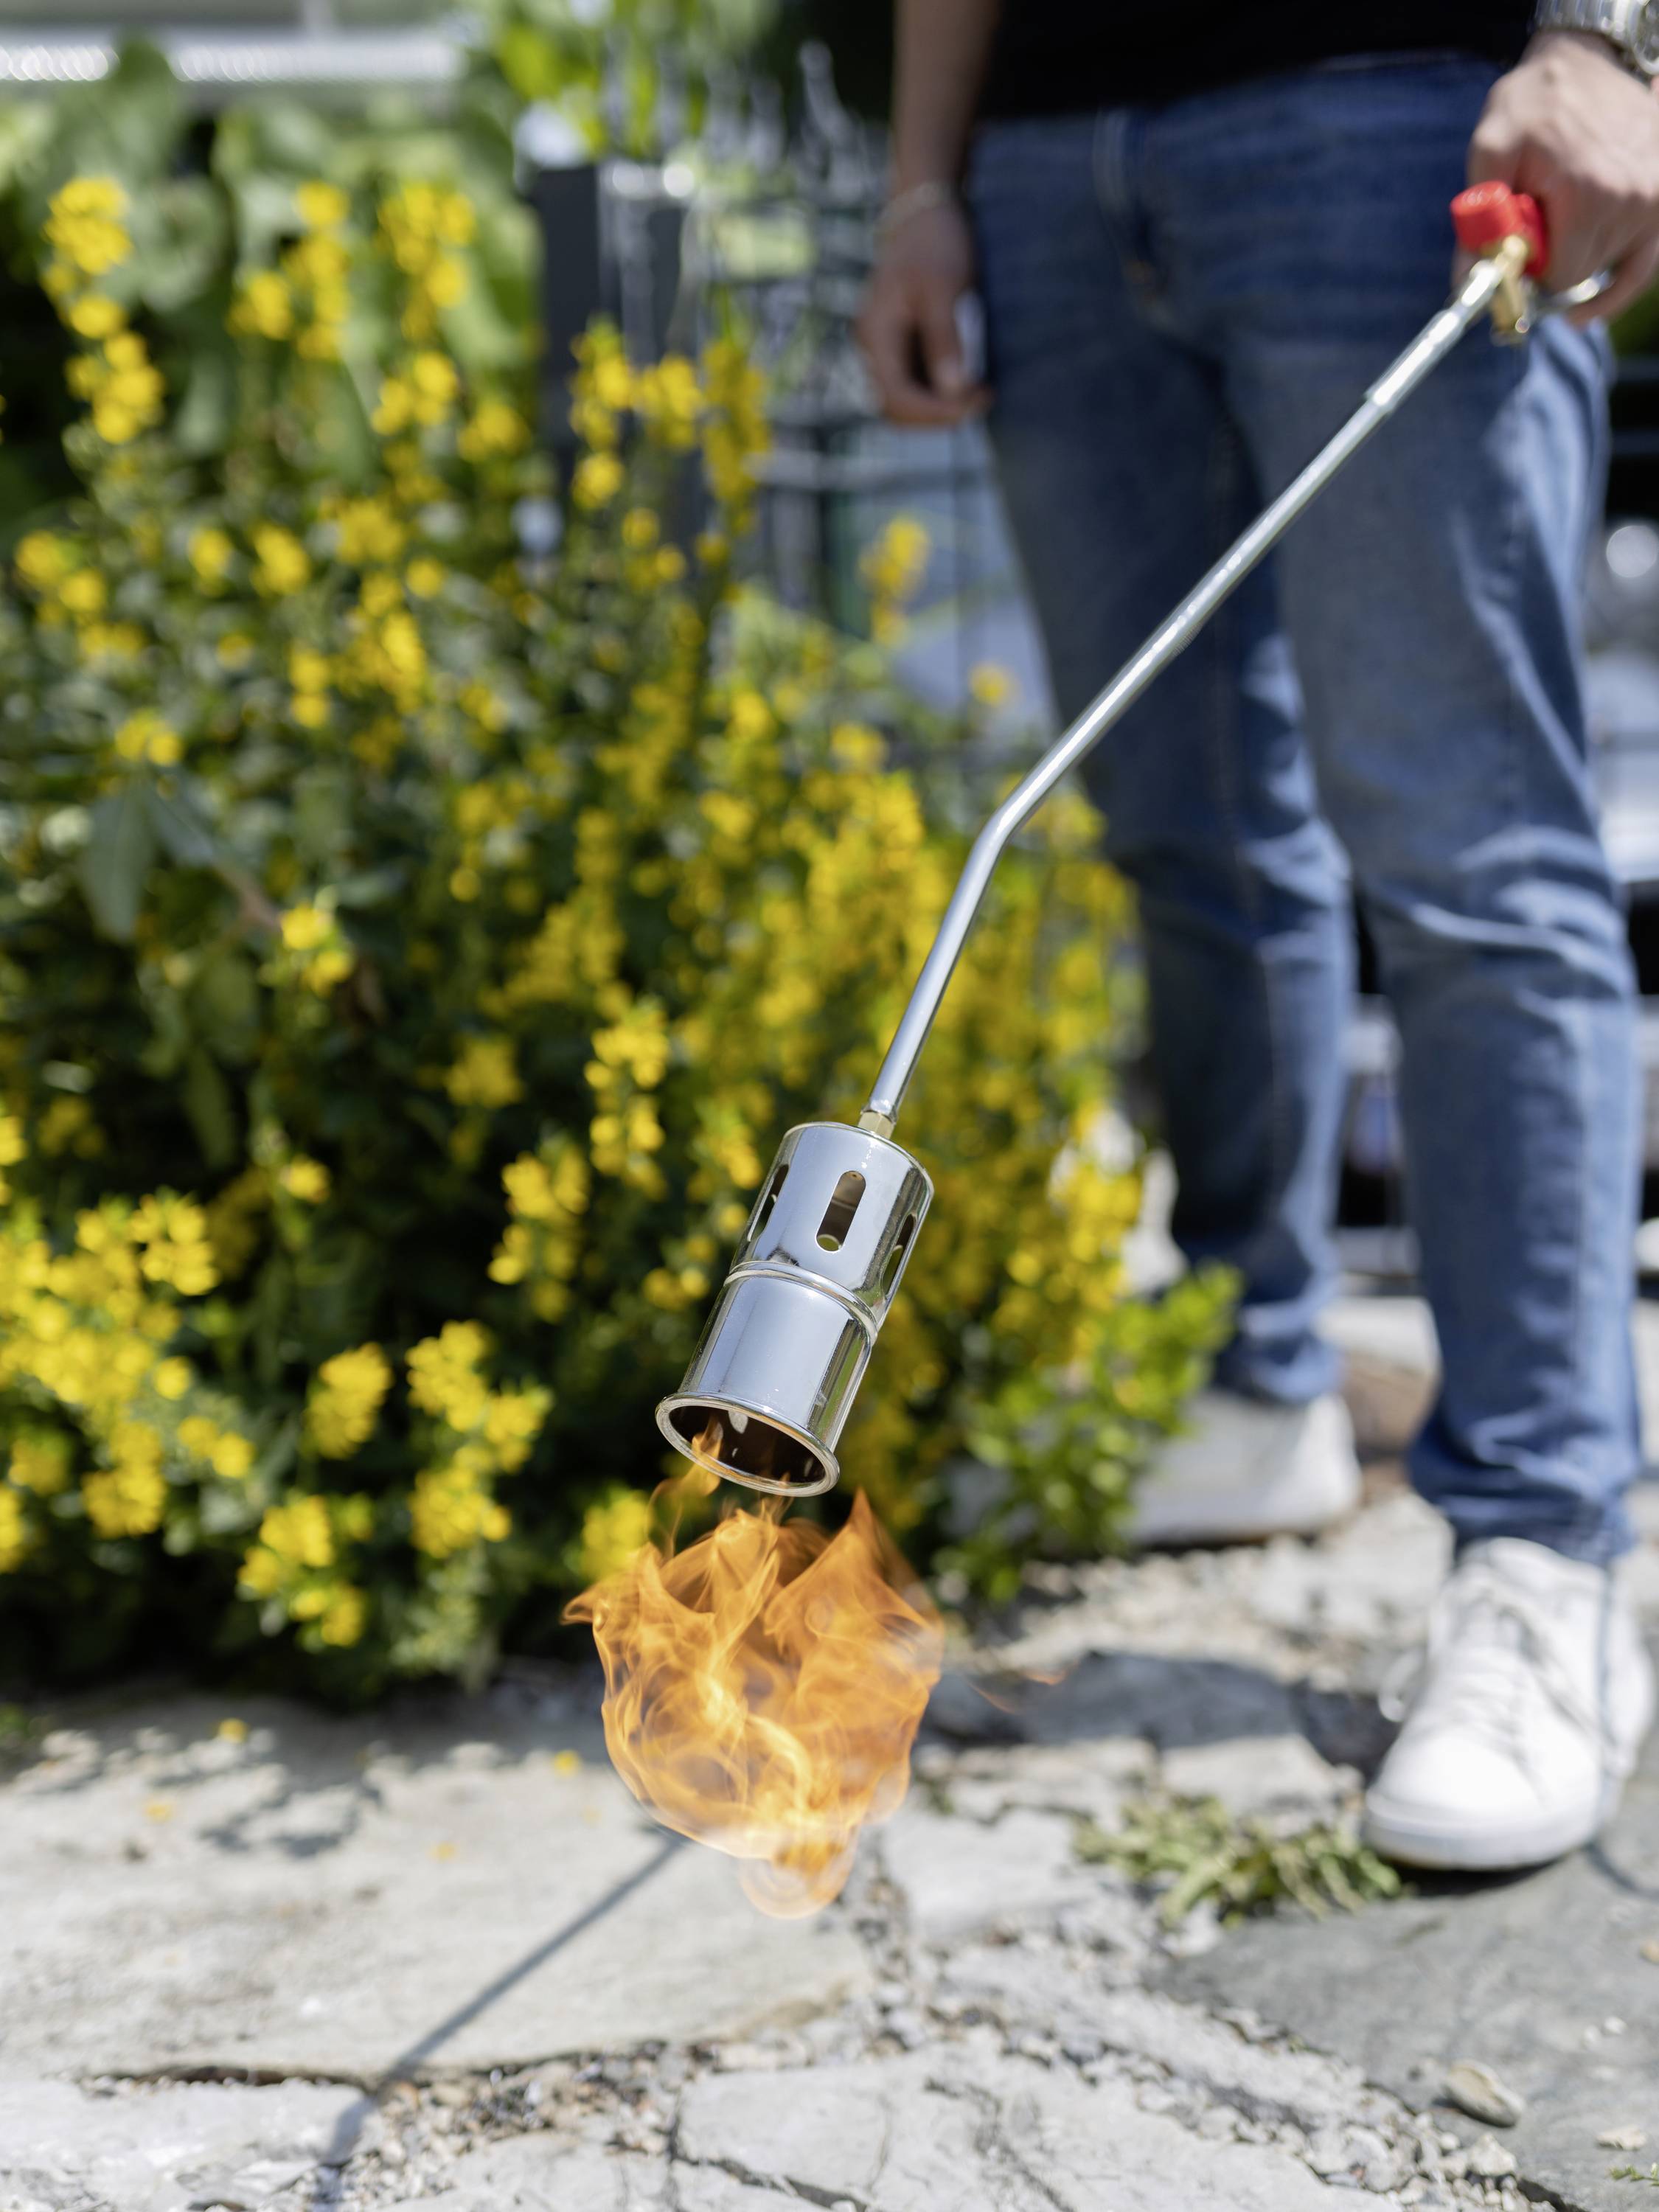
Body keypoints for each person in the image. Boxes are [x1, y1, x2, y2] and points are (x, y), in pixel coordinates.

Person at [858, 0, 1659, 1872]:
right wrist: (921, 182)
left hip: (1395, 112)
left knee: (1471, 860)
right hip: (1050, 153)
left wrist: (1607, 41)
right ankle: (1256, 1375)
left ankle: (1549, 1555)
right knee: (1185, 824)